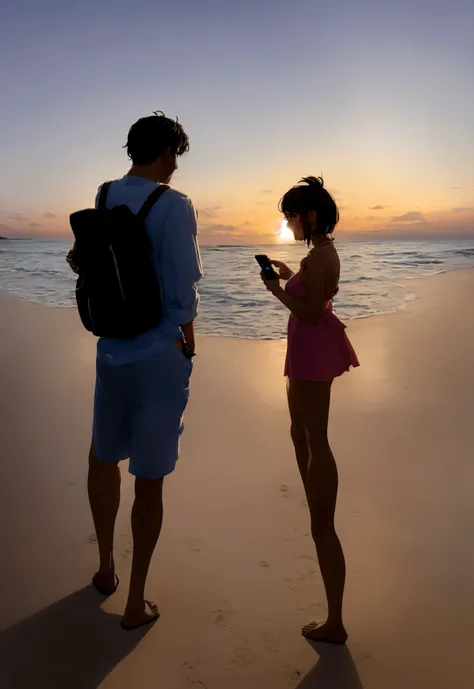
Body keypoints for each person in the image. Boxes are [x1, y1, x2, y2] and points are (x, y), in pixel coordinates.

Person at [67, 112, 203, 630]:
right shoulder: (174, 205)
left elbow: (84, 261)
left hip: (110, 350)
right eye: (176, 156)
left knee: (103, 455)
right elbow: (183, 289)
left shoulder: (104, 195)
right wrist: (188, 345)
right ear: (168, 152)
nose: (175, 166)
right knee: (149, 477)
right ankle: (135, 601)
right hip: (158, 354)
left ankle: (105, 570)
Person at [260, 176, 359, 644]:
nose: (288, 222)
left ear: (311, 216)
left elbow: (314, 312)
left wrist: (275, 291)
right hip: (306, 354)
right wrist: (285, 276)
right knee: (300, 430)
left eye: (292, 216)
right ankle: (315, 493)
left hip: (312, 350)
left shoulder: (320, 255)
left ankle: (334, 619)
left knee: (315, 436)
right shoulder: (316, 255)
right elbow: (311, 295)